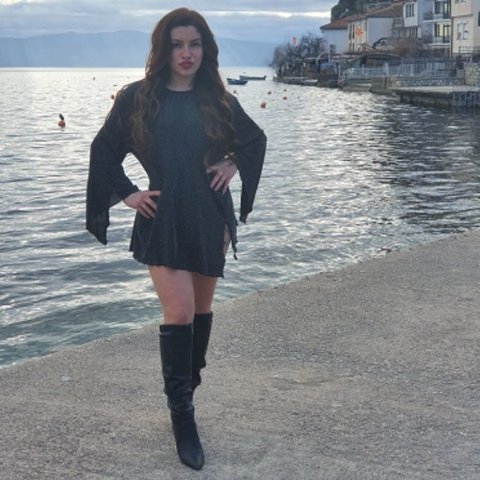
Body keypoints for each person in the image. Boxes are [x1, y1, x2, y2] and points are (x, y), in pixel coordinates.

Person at [86, 8, 266, 471]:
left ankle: (190, 385)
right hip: (162, 216)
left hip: (209, 216)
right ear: (163, 50)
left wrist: (231, 163)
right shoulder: (137, 98)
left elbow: (254, 140)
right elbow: (103, 150)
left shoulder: (217, 99)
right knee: (180, 311)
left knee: (201, 313)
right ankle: (182, 417)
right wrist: (128, 193)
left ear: (206, 49)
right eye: (177, 45)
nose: (186, 53)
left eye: (194, 44)